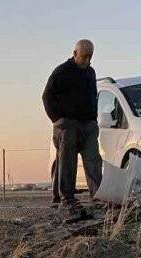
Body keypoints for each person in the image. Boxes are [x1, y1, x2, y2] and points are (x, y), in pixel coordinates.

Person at [42, 39, 103, 217]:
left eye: (90, 57)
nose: (87, 61)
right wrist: (58, 120)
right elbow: (47, 97)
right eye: (84, 57)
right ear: (75, 53)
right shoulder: (62, 71)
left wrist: (94, 119)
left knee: (93, 159)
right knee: (67, 161)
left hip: (88, 124)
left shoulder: (91, 73)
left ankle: (98, 196)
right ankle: (66, 198)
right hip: (67, 124)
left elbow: (93, 96)